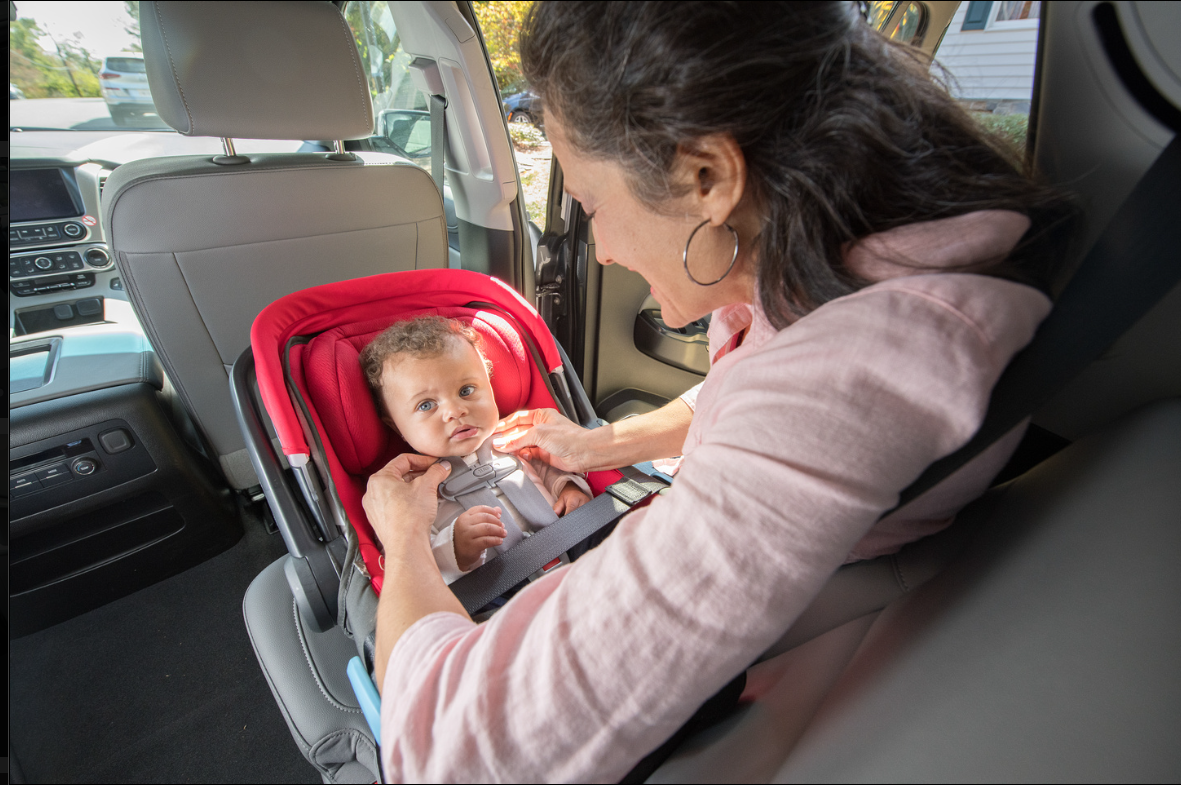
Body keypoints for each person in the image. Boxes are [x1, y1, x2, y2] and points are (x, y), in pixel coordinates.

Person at [361, 2, 1078, 781]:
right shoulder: (834, 274)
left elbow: (445, 753)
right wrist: (607, 443)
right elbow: (742, 394)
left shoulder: (849, 374)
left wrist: (402, 536)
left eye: (592, 205)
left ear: (706, 176)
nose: (595, 250)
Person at [358, 316, 591, 583]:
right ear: (396, 425)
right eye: (426, 405)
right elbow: (409, 561)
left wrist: (568, 489)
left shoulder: (517, 439)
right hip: (493, 589)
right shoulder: (408, 489)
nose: (456, 411)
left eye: (466, 390)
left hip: (570, 546)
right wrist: (456, 547)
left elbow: (550, 469)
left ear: (490, 386)